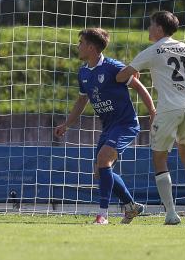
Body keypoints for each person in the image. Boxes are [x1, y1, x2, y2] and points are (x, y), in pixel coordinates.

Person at [54, 28, 157, 225]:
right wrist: (67, 123)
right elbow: (82, 101)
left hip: (125, 124)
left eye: (81, 43)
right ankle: (131, 206)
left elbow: (137, 85)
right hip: (108, 126)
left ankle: (103, 215)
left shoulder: (112, 67)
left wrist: (152, 111)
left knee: (103, 160)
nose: (78, 46)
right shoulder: (83, 72)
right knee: (100, 172)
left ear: (91, 47)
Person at [116, 11, 185, 225]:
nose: (149, 29)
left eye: (151, 25)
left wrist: (133, 73)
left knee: (159, 159)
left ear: (159, 28)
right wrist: (183, 92)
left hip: (167, 110)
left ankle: (171, 214)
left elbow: (120, 76)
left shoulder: (153, 51)